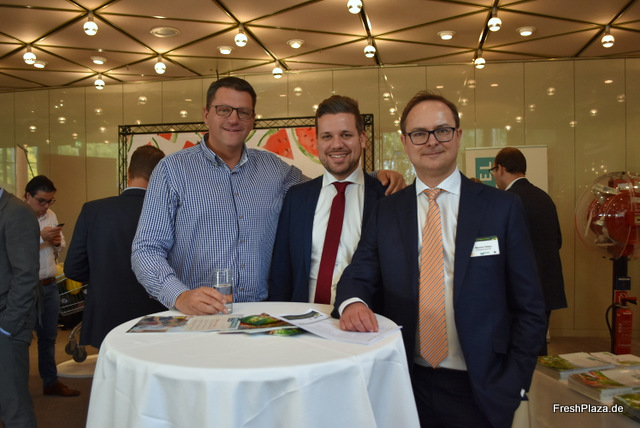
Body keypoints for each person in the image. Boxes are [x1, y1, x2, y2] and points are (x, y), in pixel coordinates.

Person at [335, 91, 546, 428]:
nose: (431, 141)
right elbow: (359, 273)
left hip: (481, 387)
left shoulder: (501, 208)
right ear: (405, 142)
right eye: (419, 133)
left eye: (442, 130)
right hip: (405, 383)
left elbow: (530, 306)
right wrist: (353, 302)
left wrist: (513, 384)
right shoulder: (387, 211)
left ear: (458, 135)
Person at [131, 76, 404, 316]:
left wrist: (375, 178)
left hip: (261, 317)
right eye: (223, 110)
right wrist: (179, 295)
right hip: (197, 316)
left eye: (243, 112)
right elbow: (146, 249)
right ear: (206, 114)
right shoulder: (172, 171)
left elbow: (329, 189)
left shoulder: (275, 170)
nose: (233, 119)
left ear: (253, 119)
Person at [269, 95, 387, 304]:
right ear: (317, 142)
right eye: (327, 136)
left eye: (346, 135)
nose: (336, 144)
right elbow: (281, 273)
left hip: (364, 319)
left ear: (362, 138)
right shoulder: (297, 198)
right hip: (303, 318)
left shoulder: (386, 198)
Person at [64, 146, 167, 348]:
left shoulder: (93, 210)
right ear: (160, 176)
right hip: (154, 312)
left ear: (128, 173)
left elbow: (73, 268)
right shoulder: (170, 211)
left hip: (105, 311)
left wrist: (103, 279)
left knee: (110, 366)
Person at [491, 146, 567, 355]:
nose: (494, 176)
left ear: (500, 169)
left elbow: (498, 249)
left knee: (516, 350)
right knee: (537, 347)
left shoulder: (505, 201)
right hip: (546, 287)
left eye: (493, 170)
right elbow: (558, 240)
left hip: (517, 291)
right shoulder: (544, 198)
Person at [24, 175, 80, 397]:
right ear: (28, 196)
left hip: (49, 285)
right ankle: (16, 390)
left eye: (50, 201)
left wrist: (55, 241)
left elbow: (61, 244)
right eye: (42, 201)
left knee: (49, 337)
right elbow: (12, 247)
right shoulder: (16, 216)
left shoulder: (51, 215)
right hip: (27, 288)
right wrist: (40, 237)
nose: (46, 206)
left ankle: (50, 382)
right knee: (21, 340)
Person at [0, 188, 39, 427]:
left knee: (14, 407)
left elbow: (26, 275)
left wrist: (7, 327)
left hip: (8, 324)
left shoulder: (17, 212)